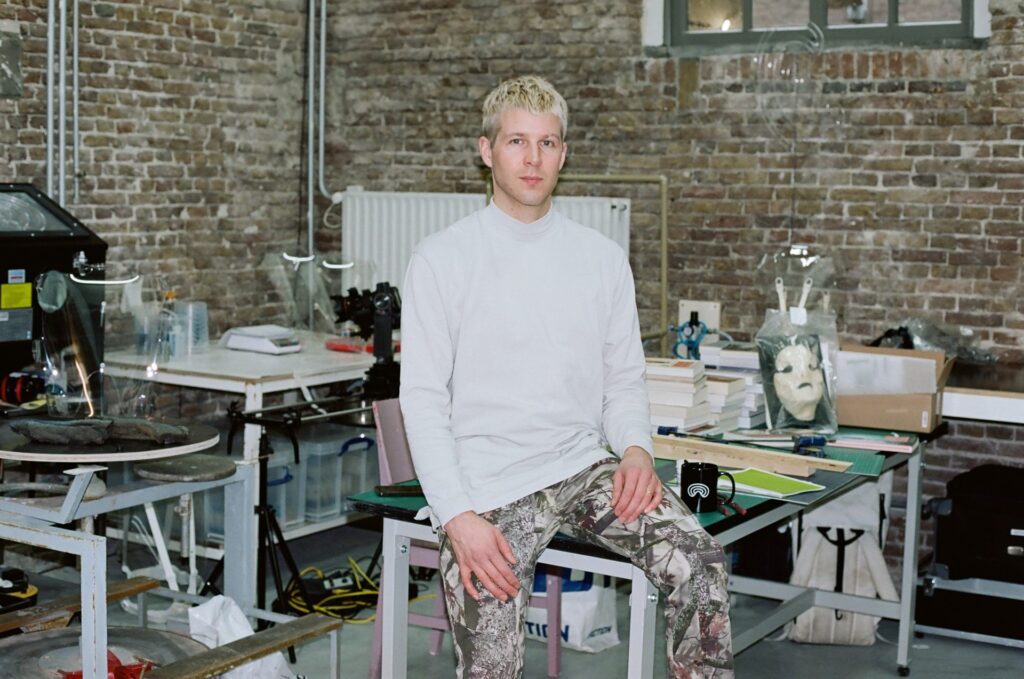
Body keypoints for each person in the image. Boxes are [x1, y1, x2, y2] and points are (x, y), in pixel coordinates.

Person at [399, 75, 734, 679]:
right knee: (492, 666)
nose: (533, 159)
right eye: (517, 142)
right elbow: (421, 402)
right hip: (486, 484)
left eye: (547, 143)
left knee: (699, 561)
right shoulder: (441, 260)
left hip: (583, 467)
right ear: (486, 151)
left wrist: (636, 450)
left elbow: (623, 379)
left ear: (563, 153)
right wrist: (458, 518)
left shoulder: (600, 259)